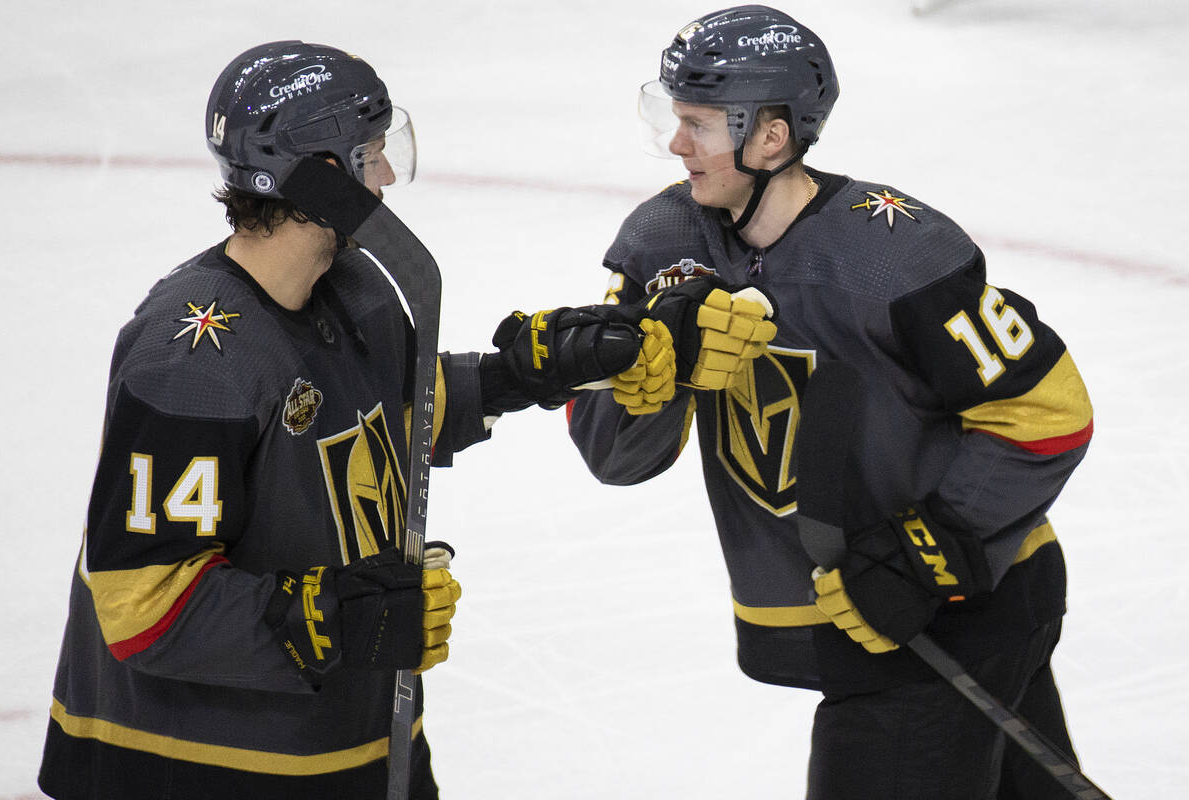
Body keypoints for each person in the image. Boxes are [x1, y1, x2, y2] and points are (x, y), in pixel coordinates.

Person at [37, 40, 774, 800]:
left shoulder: (354, 289)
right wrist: (330, 618)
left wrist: (520, 375)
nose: (387, 175)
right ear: (317, 175)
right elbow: (144, 601)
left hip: (354, 751)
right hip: (194, 771)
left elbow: (370, 430)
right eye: (370, 153)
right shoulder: (194, 354)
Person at [568, 6, 1095, 799]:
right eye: (673, 119)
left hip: (963, 604)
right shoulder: (662, 245)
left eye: (699, 124)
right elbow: (613, 453)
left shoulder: (893, 255)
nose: (677, 145)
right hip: (864, 619)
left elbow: (1047, 413)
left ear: (770, 135)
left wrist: (929, 549)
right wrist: (660, 371)